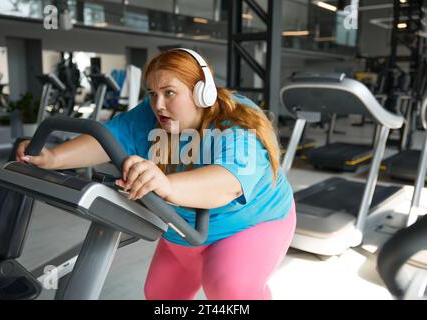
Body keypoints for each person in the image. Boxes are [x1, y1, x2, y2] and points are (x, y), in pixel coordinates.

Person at [16, 48, 296, 300]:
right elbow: (109, 139)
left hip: (250, 225)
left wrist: (164, 183)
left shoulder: (238, 122)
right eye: (152, 94)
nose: (158, 104)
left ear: (202, 92)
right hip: (183, 229)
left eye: (169, 92)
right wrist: (53, 157)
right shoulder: (150, 117)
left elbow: (228, 184)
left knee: (229, 290)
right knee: (160, 296)